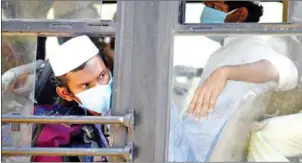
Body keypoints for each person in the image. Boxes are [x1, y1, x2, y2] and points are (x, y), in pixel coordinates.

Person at [168, 2, 299, 162]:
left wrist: (225, 73)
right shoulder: (224, 52)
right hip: (185, 143)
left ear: (240, 15)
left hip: (193, 154)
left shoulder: (250, 46)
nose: (205, 13)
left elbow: (288, 72)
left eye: (214, 7)